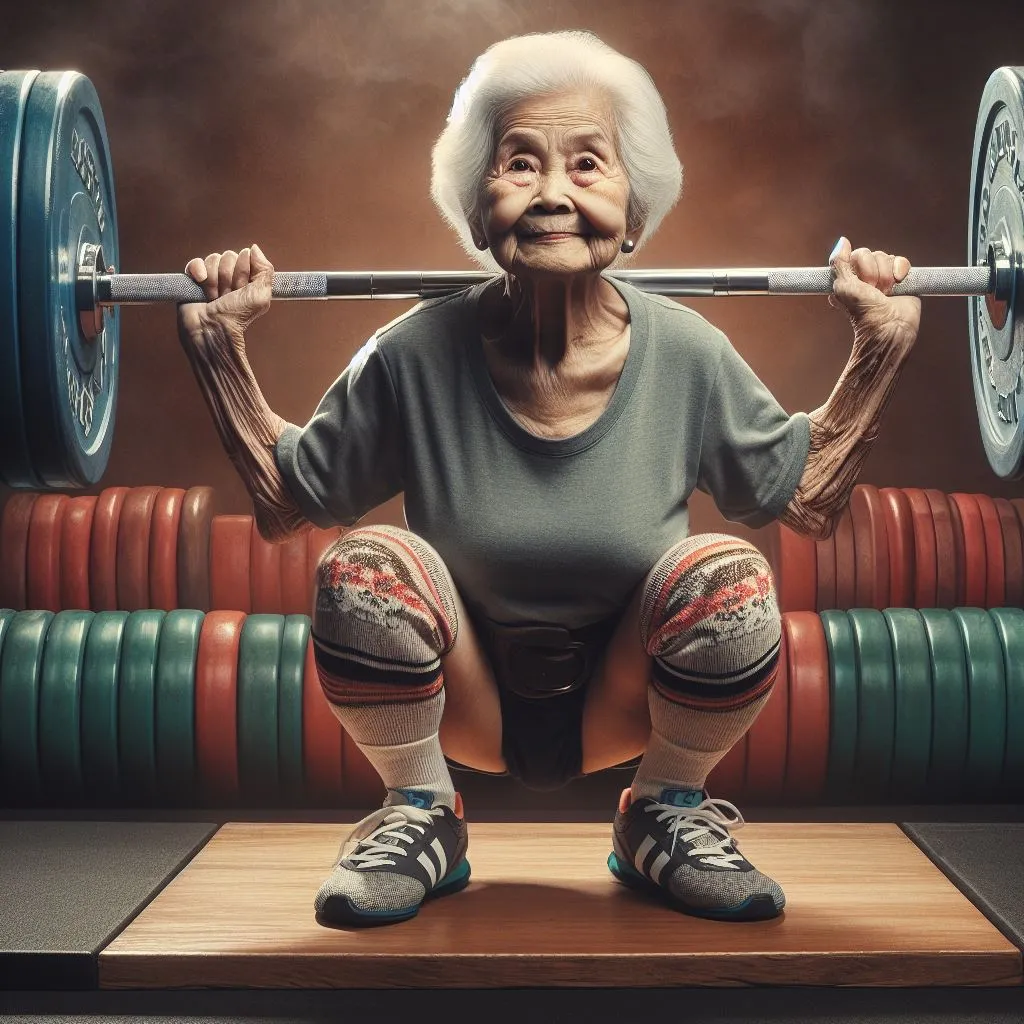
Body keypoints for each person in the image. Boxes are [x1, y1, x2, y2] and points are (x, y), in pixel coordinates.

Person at [176, 31, 920, 927]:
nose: (554, 193)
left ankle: (664, 810)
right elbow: (288, 499)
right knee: (364, 564)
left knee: (729, 578)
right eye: (519, 164)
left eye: (588, 165)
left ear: (633, 212)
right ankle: (420, 812)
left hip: (627, 697)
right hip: (465, 698)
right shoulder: (414, 353)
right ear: (478, 208)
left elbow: (804, 497)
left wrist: (879, 350)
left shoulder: (687, 353)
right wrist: (219, 350)